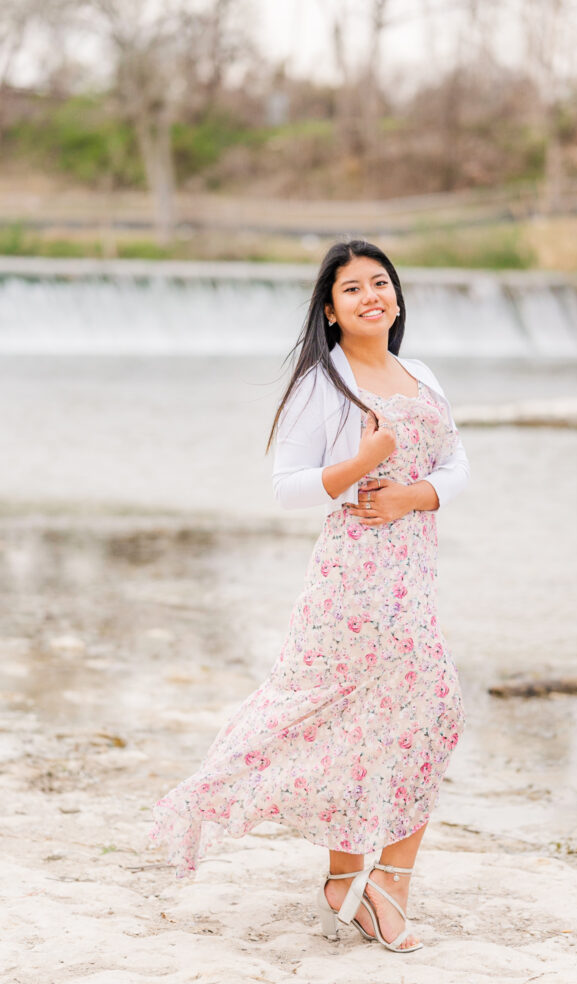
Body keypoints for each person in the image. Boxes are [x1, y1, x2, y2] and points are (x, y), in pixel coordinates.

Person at [147, 239, 470, 954]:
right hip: (352, 577)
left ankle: (372, 884)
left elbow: (457, 463)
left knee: (415, 713)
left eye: (380, 283)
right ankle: (358, 881)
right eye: (351, 289)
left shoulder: (419, 372)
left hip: (412, 567)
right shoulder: (322, 383)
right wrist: (363, 462)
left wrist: (415, 494)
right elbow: (289, 488)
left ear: (396, 295)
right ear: (329, 309)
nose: (370, 296)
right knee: (398, 706)